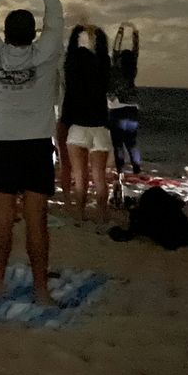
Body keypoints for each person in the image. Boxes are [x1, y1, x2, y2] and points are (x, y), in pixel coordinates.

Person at [0, 0, 64, 305]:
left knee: (2, 221)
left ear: (5, 33)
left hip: (2, 145)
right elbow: (56, 11)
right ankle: (41, 290)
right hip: (35, 147)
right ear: (34, 33)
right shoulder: (46, 55)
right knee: (36, 220)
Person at [62, 23, 112, 224]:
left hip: (78, 130)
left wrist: (77, 31)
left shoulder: (73, 76)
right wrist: (97, 32)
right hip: (100, 128)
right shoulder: (101, 74)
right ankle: (101, 215)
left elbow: (70, 54)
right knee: (100, 177)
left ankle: (80, 214)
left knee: (80, 177)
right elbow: (103, 54)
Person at [108, 24, 142, 180]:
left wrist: (120, 32)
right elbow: (136, 50)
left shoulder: (116, 67)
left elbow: (115, 49)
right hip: (133, 108)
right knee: (132, 142)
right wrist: (135, 33)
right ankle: (137, 169)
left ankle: (120, 170)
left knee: (118, 143)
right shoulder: (132, 70)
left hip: (117, 108)